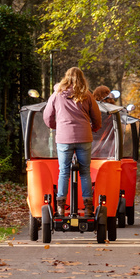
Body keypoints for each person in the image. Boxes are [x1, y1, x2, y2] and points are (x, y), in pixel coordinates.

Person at [43, 67, 102, 215]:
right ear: (82, 79)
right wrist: (94, 129)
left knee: (63, 172)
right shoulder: (88, 95)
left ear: (66, 77)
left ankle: (61, 207)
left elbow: (47, 116)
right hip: (84, 137)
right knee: (85, 172)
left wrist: (57, 127)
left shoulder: (57, 95)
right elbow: (97, 117)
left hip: (64, 138)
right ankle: (88, 208)